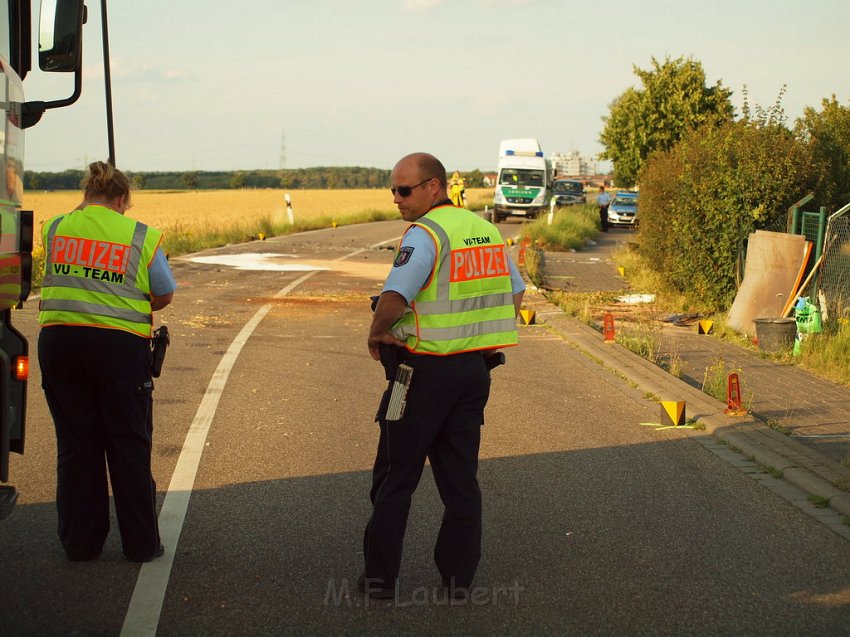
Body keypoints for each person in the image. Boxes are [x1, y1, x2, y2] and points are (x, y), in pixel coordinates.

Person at [361, 152, 525, 599]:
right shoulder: (487, 231)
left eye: (404, 190)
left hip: (420, 375)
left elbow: (395, 294)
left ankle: (379, 581)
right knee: (460, 481)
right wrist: (480, 339)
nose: (397, 199)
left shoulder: (426, 233)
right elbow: (516, 290)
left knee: (395, 477)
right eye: (393, 190)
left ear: (434, 187)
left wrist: (377, 334)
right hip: (473, 373)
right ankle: (458, 580)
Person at [38, 161, 176, 562]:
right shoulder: (140, 236)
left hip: (60, 345)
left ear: (86, 195)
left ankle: (81, 545)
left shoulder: (55, 227)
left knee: (76, 447)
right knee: (128, 444)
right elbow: (164, 293)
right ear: (121, 199)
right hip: (118, 351)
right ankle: (141, 545)